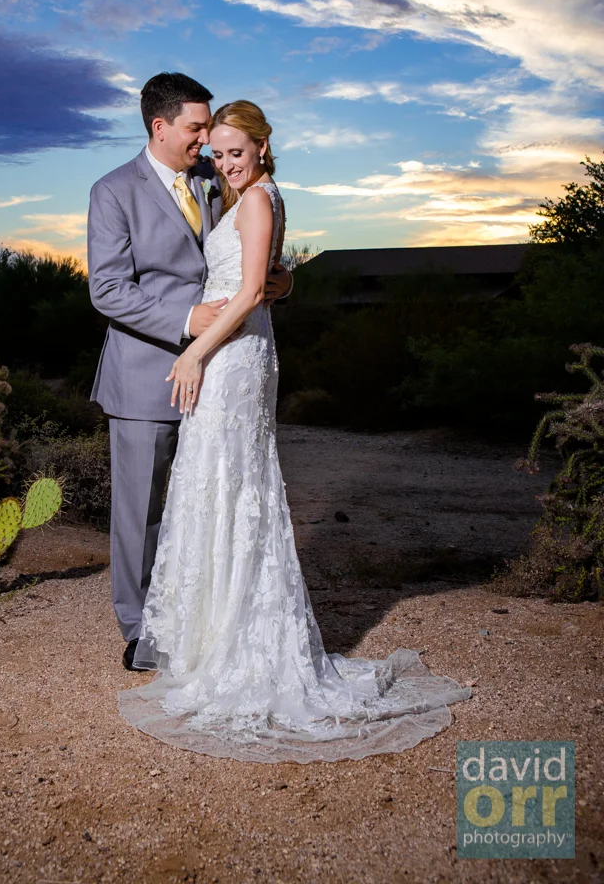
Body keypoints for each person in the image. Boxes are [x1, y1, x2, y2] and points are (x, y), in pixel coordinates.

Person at [116, 100, 472, 763]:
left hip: (233, 353)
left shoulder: (256, 200)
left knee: (233, 485)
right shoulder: (254, 196)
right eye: (216, 152)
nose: (224, 162)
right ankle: (212, 636)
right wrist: (267, 295)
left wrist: (193, 350)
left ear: (261, 145)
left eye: (235, 151)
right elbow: (270, 281)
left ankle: (243, 647)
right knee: (220, 484)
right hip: (241, 350)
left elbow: (251, 290)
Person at [87, 74, 292, 671]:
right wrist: (185, 321)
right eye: (196, 128)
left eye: (211, 129)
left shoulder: (215, 179)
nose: (207, 141)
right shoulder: (113, 191)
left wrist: (282, 282)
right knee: (141, 509)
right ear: (161, 126)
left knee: (205, 500)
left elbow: (251, 259)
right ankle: (140, 630)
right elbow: (106, 290)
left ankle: (200, 621)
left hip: (219, 370)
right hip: (146, 370)